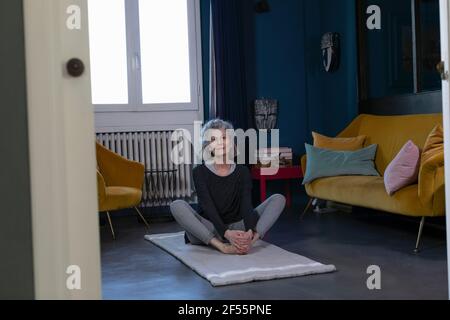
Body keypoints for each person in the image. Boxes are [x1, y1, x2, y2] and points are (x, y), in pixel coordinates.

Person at [170, 119, 286, 255]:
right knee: (176, 205)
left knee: (278, 198)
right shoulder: (199, 172)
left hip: (238, 226)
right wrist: (226, 233)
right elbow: (208, 207)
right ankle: (222, 246)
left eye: (224, 137)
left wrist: (249, 230)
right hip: (209, 228)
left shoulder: (242, 171)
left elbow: (246, 205)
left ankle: (249, 242)